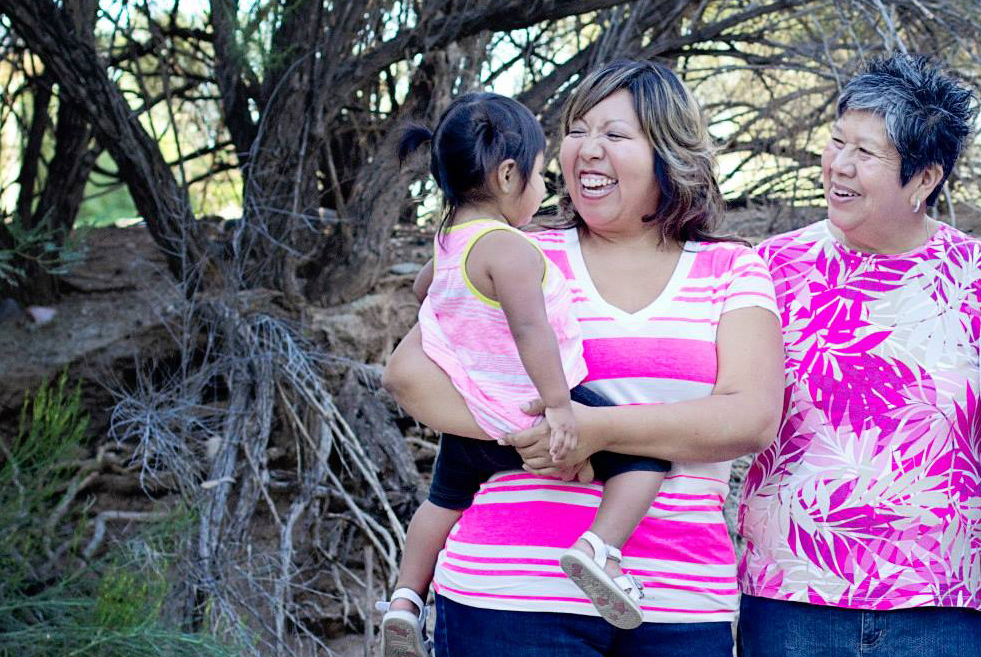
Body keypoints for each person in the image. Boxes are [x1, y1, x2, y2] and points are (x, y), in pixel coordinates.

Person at [382, 60, 784, 657]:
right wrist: (533, 432)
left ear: (667, 154)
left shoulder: (730, 268)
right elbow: (410, 376)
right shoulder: (514, 254)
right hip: (509, 593)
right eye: (576, 130)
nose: (587, 150)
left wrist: (592, 429)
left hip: (678, 600)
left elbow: (750, 419)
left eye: (614, 135)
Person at [381, 92, 672, 657]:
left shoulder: (447, 246)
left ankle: (404, 600)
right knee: (644, 459)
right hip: (532, 407)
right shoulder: (509, 250)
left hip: (473, 420)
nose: (545, 190)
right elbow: (530, 330)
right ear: (509, 174)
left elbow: (425, 295)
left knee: (441, 502)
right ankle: (598, 549)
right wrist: (561, 406)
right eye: (540, 175)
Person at [737, 54, 981, 657]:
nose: (838, 166)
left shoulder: (972, 277)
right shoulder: (768, 268)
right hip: (791, 593)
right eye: (837, 141)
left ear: (925, 179)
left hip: (940, 604)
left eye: (865, 154)